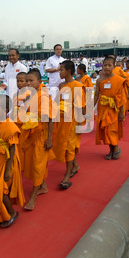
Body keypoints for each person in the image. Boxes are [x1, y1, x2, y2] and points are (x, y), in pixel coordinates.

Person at [18, 69, 57, 210]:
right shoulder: (28, 95)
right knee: (32, 162)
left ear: (40, 82)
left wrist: (49, 139)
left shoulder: (43, 97)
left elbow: (50, 119)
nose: (28, 83)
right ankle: (43, 186)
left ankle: (33, 195)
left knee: (38, 165)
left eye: (31, 81)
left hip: (41, 135)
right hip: (30, 133)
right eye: (26, 80)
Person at [0, 95, 25, 228]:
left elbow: (13, 148)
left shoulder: (10, 126)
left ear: (6, 110)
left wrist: (8, 169)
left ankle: (12, 213)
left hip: (7, 162)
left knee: (1, 191)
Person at [52, 60, 86, 189]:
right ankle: (75, 166)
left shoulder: (77, 86)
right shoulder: (61, 85)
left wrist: (80, 125)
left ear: (69, 71)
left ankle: (67, 176)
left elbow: (81, 107)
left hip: (72, 120)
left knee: (69, 147)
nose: (59, 72)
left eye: (61, 70)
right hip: (61, 120)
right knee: (64, 145)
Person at [94, 57, 127, 160]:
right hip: (103, 108)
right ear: (102, 66)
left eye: (109, 65)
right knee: (104, 130)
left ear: (114, 66)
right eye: (105, 65)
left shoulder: (118, 80)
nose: (107, 67)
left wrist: (122, 112)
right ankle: (111, 149)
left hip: (114, 109)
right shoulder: (99, 80)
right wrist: (91, 107)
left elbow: (121, 97)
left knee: (112, 129)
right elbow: (96, 95)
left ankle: (116, 148)